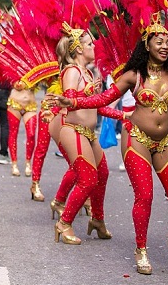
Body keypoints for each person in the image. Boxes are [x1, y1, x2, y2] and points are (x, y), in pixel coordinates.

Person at [49, 14, 168, 274]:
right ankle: (141, 249)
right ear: (146, 46)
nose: (164, 46)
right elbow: (104, 98)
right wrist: (74, 102)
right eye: (158, 42)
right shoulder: (133, 75)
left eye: (167, 43)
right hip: (137, 138)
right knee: (145, 196)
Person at [47, 24, 124, 248]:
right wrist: (83, 94)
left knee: (103, 172)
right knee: (88, 178)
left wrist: (123, 115)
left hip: (88, 132)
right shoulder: (72, 71)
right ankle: (64, 223)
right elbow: (71, 101)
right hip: (72, 131)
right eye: (90, 44)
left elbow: (96, 107)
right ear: (79, 49)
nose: (94, 47)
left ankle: (97, 219)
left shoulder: (88, 73)